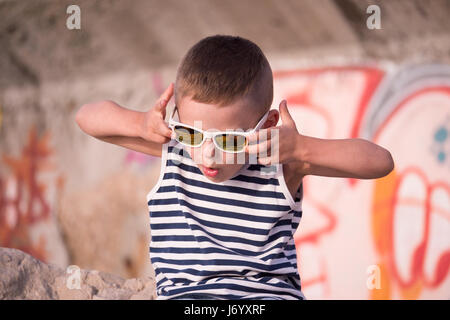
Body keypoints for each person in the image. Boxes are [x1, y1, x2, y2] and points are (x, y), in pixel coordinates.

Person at [75, 35, 394, 300]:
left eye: (229, 139)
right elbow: (87, 118)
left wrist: (300, 147)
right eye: (195, 134)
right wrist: (141, 123)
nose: (208, 154)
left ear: (265, 125)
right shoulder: (175, 147)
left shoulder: (281, 164)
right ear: (177, 118)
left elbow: (380, 161)